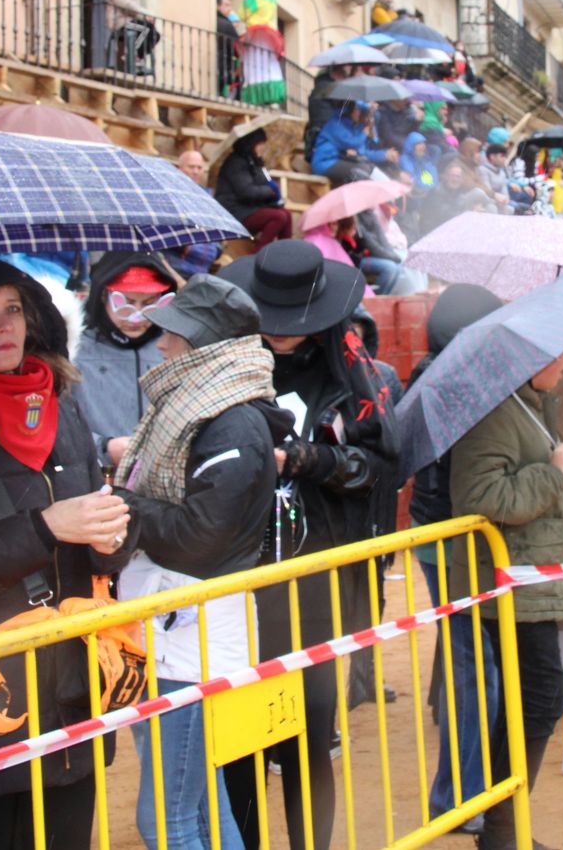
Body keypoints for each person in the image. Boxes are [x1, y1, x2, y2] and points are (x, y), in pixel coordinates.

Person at [0, 260, 132, 850]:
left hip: (73, 685)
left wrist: (112, 541)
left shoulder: (62, 405)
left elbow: (99, 534)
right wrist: (46, 529)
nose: (3, 326)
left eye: (13, 309)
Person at [219, 241, 398, 850]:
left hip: (316, 575)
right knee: (239, 738)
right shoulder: (224, 362)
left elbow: (377, 466)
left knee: (309, 735)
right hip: (237, 573)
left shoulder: (351, 375)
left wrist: (305, 457)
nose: (284, 334)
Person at [112, 276, 291, 850]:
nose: (162, 346)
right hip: (174, 627)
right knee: (203, 803)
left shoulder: (231, 420)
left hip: (192, 635)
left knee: (169, 820)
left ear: (206, 346)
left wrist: (121, 503)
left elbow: (200, 536)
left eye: (176, 335)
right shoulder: (203, 410)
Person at [446, 341, 563, 847]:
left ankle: (505, 829)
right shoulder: (495, 413)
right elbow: (482, 497)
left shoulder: (528, 402)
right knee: (541, 698)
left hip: (530, 576)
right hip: (507, 579)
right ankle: (502, 831)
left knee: (534, 700)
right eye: (561, 352)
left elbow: (538, 468)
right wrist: (555, 473)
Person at [405, 285, 502, 828]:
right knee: (476, 666)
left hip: (450, 530)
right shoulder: (445, 382)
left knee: (471, 657)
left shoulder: (446, 375)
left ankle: (465, 787)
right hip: (451, 534)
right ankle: (458, 797)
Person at [72, 253, 180, 471]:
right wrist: (104, 447)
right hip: (98, 477)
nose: (136, 317)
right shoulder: (75, 349)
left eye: (150, 305)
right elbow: (58, 426)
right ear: (103, 297)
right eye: (126, 304)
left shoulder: (174, 347)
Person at [213, 122, 292, 248]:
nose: (262, 147)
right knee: (278, 217)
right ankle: (259, 256)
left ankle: (287, 253)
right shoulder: (235, 162)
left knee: (286, 214)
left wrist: (274, 194)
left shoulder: (255, 162)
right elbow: (246, 191)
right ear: (251, 144)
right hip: (234, 210)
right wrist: (270, 191)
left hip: (249, 208)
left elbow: (262, 183)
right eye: (260, 144)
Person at [238, 0, 286, 106]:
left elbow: (243, 14)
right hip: (270, 36)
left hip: (256, 34)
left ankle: (256, 98)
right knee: (269, 65)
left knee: (254, 65)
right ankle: (272, 99)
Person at [104, 0, 158, 74]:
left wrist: (145, 17)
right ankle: (131, 55)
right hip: (119, 22)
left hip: (130, 21)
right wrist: (145, 14)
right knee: (146, 29)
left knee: (155, 34)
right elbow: (126, 3)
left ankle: (137, 57)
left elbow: (133, 8)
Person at [216, 0, 242, 99]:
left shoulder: (217, 20)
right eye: (226, 5)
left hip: (221, 63)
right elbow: (237, 47)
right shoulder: (226, 24)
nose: (229, 8)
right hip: (223, 64)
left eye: (230, 5)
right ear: (218, 6)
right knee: (237, 80)